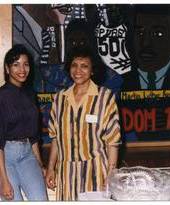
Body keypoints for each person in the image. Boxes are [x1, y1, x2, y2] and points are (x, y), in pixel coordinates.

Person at [45, 46, 121, 200]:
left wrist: (111, 174)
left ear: (92, 70)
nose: (78, 70)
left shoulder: (105, 98)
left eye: (84, 66)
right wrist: (51, 167)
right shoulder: (59, 99)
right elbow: (55, 138)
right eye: (74, 65)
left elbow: (113, 141)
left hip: (96, 171)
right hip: (66, 173)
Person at [0, 44, 48, 201]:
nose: (22, 69)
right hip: (3, 156)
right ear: (7, 69)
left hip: (27, 154)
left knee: (40, 200)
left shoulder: (30, 94)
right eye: (16, 64)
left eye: (26, 64)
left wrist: (40, 164)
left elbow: (33, 136)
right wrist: (4, 180)